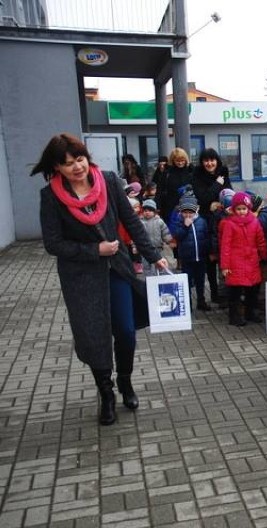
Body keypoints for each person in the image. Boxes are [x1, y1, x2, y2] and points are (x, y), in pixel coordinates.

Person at [32, 133, 168, 425]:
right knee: (94, 338)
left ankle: (126, 381)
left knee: (126, 333)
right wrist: (95, 249)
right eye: (67, 164)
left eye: (79, 159)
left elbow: (131, 221)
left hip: (117, 270)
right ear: (57, 167)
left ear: (86, 157)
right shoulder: (51, 196)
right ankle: (105, 393)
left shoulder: (107, 181)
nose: (76, 167)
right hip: (81, 278)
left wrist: (153, 254)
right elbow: (53, 243)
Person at [219, 192, 267, 326]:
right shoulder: (229, 224)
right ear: (234, 209)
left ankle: (250, 312)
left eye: (244, 208)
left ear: (249, 208)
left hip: (252, 261)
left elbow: (260, 240)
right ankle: (234, 316)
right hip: (235, 262)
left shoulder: (255, 222)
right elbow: (225, 246)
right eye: (238, 209)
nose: (241, 212)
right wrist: (225, 266)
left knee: (253, 290)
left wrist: (263, 255)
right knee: (235, 291)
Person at [192, 148, 232, 305]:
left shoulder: (224, 173)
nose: (209, 163)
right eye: (206, 160)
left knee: (224, 257)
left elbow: (229, 195)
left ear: (217, 160)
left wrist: (218, 204)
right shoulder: (197, 176)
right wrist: (217, 184)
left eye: (212, 160)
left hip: (222, 220)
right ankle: (213, 293)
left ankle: (224, 294)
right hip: (206, 221)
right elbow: (203, 198)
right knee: (209, 259)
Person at [172, 194, 212, 311]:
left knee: (201, 281)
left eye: (191, 212)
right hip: (187, 258)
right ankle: (187, 303)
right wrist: (185, 226)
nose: (188, 215)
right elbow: (177, 236)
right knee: (187, 282)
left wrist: (207, 251)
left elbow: (206, 237)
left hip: (200, 257)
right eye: (185, 212)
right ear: (181, 212)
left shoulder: (201, 221)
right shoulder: (179, 222)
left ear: (196, 211)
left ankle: (201, 301)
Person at [159, 148, 193, 228]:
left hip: (189, 205)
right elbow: (160, 189)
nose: (180, 163)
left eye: (182, 160)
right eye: (178, 161)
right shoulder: (167, 172)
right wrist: (158, 206)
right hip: (171, 207)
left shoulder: (191, 170)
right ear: (173, 160)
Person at [139, 199, 172, 276]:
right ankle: (149, 281)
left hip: (158, 249)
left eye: (150, 210)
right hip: (145, 250)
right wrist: (135, 246)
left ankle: (159, 280)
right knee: (146, 267)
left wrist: (170, 241)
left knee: (160, 266)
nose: (147, 212)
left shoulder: (159, 221)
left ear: (154, 212)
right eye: (145, 210)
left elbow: (165, 232)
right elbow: (137, 236)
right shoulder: (140, 222)